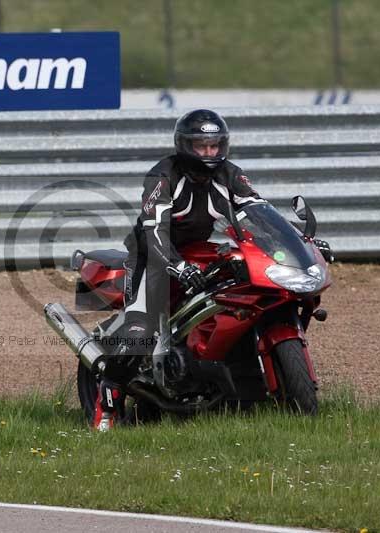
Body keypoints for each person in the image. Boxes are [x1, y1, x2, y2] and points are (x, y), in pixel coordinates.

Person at [92, 108, 264, 431]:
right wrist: (179, 267)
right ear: (185, 146)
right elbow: (155, 231)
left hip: (194, 252)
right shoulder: (162, 176)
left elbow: (259, 214)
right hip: (149, 257)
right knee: (140, 333)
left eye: (214, 146)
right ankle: (106, 405)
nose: (209, 153)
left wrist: (295, 243)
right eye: (202, 146)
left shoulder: (232, 175)